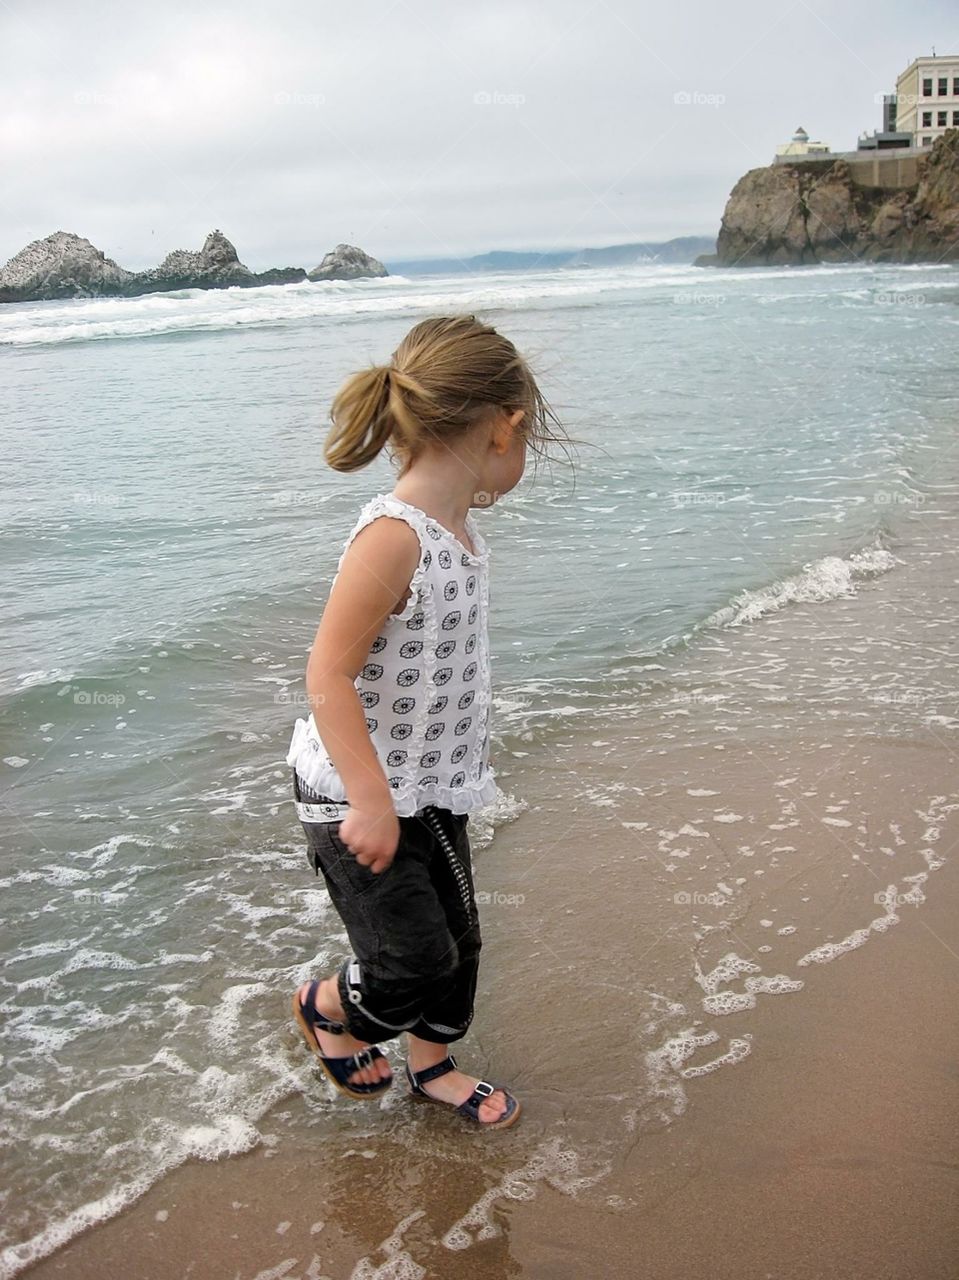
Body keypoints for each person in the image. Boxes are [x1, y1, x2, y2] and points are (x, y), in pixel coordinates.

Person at [286, 314, 567, 1129]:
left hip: (432, 778)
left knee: (460, 945)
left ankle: (432, 1065)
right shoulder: (391, 538)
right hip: (354, 789)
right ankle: (325, 1007)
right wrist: (371, 801)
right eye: (530, 436)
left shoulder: (457, 532)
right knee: (410, 959)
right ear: (505, 423)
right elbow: (325, 673)